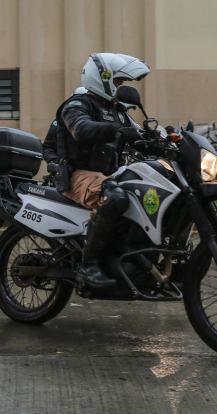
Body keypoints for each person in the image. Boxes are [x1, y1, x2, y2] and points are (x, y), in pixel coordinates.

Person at [53, 53, 150, 289]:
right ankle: (89, 267)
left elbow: (138, 135)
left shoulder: (118, 111)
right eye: (118, 82)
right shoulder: (77, 104)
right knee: (115, 197)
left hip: (108, 175)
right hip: (79, 174)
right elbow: (81, 128)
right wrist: (116, 131)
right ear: (102, 78)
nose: (121, 88)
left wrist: (163, 139)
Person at [43, 87, 86, 166]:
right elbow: (48, 147)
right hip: (64, 171)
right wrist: (56, 163)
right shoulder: (59, 122)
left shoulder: (95, 124)